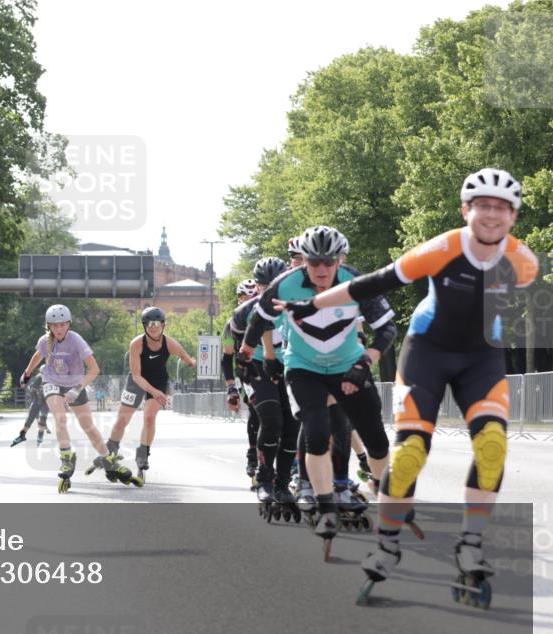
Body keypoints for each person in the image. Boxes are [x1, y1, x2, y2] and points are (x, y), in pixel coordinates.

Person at [280, 169, 539, 594]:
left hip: (481, 358)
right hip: (428, 353)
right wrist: (312, 304)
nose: (491, 215)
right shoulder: (442, 248)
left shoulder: (524, 261)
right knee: (410, 452)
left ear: (513, 216)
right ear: (465, 210)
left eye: (501, 208)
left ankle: (470, 544)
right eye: (482, 206)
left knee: (493, 445)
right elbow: (373, 283)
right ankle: (386, 545)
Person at [243, 225, 397, 551]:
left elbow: (386, 330)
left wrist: (365, 362)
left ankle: (382, 491)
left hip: (349, 366)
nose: (322, 270)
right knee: (315, 429)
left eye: (329, 262)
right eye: (314, 263)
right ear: (303, 261)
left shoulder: (357, 283)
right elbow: (257, 323)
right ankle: (325, 505)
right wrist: (250, 357)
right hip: (304, 367)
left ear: (340, 259)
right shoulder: (284, 285)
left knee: (376, 439)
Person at [20, 304, 142, 492]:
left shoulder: (76, 340)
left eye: (62, 325)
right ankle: (67, 457)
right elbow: (39, 355)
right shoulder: (45, 341)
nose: (58, 329)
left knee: (88, 426)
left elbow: (94, 369)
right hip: (51, 381)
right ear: (49, 326)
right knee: (60, 417)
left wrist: (77, 389)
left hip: (76, 384)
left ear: (68, 324)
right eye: (54, 326)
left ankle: (107, 457)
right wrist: (27, 374)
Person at [230, 258, 299, 512]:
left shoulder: (297, 301)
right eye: (261, 286)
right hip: (257, 364)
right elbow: (235, 343)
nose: (267, 290)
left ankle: (282, 483)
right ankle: (264, 478)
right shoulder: (244, 312)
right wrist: (236, 378)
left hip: (290, 362)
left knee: (293, 424)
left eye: (274, 284)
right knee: (271, 419)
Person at [103, 307, 195, 481]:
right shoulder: (136, 344)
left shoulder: (170, 343)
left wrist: (191, 362)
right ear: (144, 326)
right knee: (123, 420)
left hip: (159, 381)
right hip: (137, 381)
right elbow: (137, 375)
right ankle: (111, 451)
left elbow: (186, 357)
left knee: (149, 417)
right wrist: (153, 392)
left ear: (163, 325)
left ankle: (143, 454)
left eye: (157, 324)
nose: (153, 327)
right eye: (149, 324)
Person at [222, 279, 260, 484]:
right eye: (247, 297)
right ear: (240, 299)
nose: (252, 300)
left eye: (255, 296)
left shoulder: (267, 316)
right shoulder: (232, 324)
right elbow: (227, 358)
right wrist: (231, 389)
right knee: (256, 411)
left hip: (267, 369)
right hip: (245, 374)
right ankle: (253, 455)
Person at [10, 364, 49, 447]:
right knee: (31, 418)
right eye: (44, 372)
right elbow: (32, 389)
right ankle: (23, 435)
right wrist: (35, 391)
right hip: (37, 400)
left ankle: (40, 436)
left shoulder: (50, 379)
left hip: (45, 402)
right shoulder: (39, 377)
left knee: (42, 418)